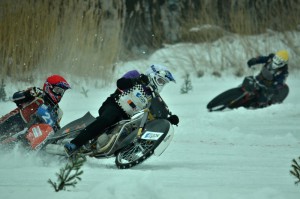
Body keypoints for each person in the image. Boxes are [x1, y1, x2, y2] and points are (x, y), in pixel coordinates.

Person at [64, 64, 179, 156]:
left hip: (125, 117)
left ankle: (124, 153)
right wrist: (137, 80)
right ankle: (74, 144)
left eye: (164, 83)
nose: (161, 85)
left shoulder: (153, 96)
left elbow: (157, 113)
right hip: (113, 105)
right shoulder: (136, 75)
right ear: (152, 75)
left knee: (130, 132)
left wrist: (169, 119)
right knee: (107, 119)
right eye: (160, 81)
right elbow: (120, 83)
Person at [0, 74, 71, 146]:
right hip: (10, 125)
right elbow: (16, 97)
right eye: (58, 90)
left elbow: (55, 130)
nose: (60, 95)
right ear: (48, 87)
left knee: (50, 130)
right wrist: (29, 93)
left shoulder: (57, 112)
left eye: (62, 92)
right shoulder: (38, 95)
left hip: (29, 137)